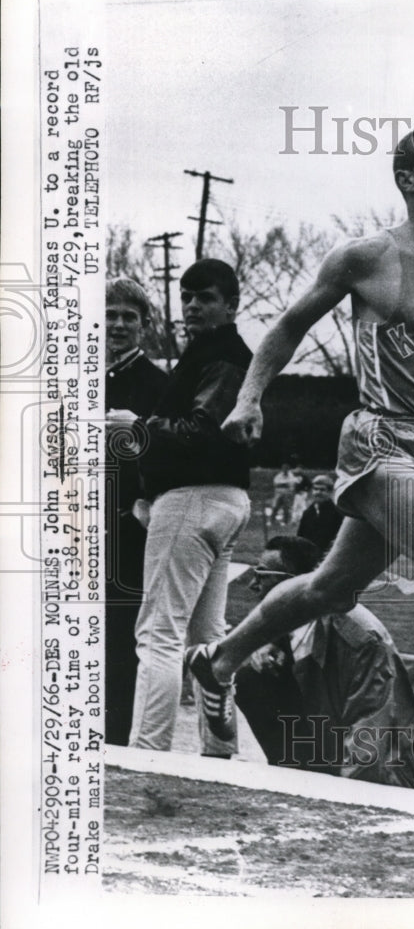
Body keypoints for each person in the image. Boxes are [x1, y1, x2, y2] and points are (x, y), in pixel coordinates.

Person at [186, 121, 414, 840]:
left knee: (330, 589)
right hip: (378, 444)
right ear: (406, 179)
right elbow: (287, 327)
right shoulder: (367, 257)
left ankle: (216, 661)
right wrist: (249, 396)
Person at [115, 259, 253, 753]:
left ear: (232, 305)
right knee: (207, 638)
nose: (192, 306)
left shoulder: (220, 353)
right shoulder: (216, 353)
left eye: (206, 298)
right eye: (187, 297)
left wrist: (138, 425)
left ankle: (147, 756)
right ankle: (218, 755)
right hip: (228, 502)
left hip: (194, 500)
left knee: (158, 634)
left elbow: (202, 433)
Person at [234, 536, 414, 787]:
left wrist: (346, 793)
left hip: (387, 765)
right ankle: (292, 776)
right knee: (252, 679)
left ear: (293, 584)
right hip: (334, 733)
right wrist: (268, 640)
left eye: (262, 574)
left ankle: (316, 782)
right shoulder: (296, 616)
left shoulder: (358, 640)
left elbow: (371, 725)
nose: (252, 584)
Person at [104, 279, 168, 744]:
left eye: (129, 316)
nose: (118, 323)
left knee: (122, 643)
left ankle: (113, 749)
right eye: (110, 313)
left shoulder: (158, 385)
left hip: (128, 531)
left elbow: (170, 454)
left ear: (145, 326)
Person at [296, 474, 344, 553]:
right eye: (315, 489)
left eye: (322, 490)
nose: (318, 492)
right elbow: (300, 537)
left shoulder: (337, 513)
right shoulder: (308, 513)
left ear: (329, 492)